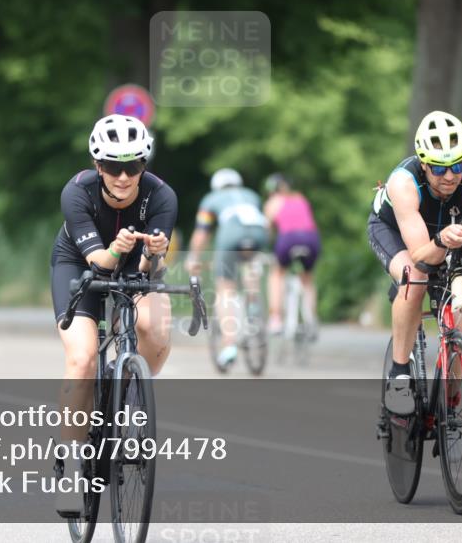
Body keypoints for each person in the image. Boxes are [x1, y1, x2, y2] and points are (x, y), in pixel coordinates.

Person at [50, 114, 175, 516]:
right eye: (113, 167)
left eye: (133, 166)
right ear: (97, 166)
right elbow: (101, 261)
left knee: (152, 325)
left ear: (144, 166)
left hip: (133, 264)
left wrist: (154, 255)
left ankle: (133, 389)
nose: (123, 177)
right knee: (83, 357)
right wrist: (120, 249)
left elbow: (149, 273)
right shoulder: (77, 192)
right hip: (80, 264)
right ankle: (70, 466)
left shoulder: (161, 197)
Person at [367, 111, 462, 415]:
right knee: (415, 278)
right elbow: (422, 254)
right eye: (438, 168)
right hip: (396, 230)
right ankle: (399, 375)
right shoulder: (403, 183)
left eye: (457, 165)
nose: (449, 176)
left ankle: (453, 387)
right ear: (423, 163)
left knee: (457, 296)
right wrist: (441, 242)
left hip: (445, 232)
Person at [186, 168, 268, 369]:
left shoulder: (211, 199)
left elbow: (202, 233)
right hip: (259, 235)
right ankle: (253, 306)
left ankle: (229, 345)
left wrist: (193, 257)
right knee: (250, 270)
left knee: (225, 289)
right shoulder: (252, 195)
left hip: (231, 236)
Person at [263, 173, 321, 336]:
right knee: (307, 278)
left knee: (277, 274)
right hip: (311, 238)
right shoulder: (300, 198)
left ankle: (276, 319)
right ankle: (311, 318)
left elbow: (267, 231)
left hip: (288, 238)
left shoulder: (272, 202)